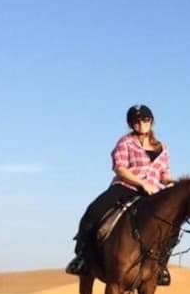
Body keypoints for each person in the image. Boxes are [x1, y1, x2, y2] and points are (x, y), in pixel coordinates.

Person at [65, 104, 176, 284]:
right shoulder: (125, 142)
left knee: (171, 228)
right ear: (131, 124)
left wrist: (172, 184)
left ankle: (160, 267)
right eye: (136, 121)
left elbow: (164, 174)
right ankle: (82, 257)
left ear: (152, 121)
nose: (141, 124)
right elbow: (120, 168)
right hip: (126, 186)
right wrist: (142, 183)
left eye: (145, 120)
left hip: (154, 192)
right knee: (93, 211)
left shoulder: (162, 147)